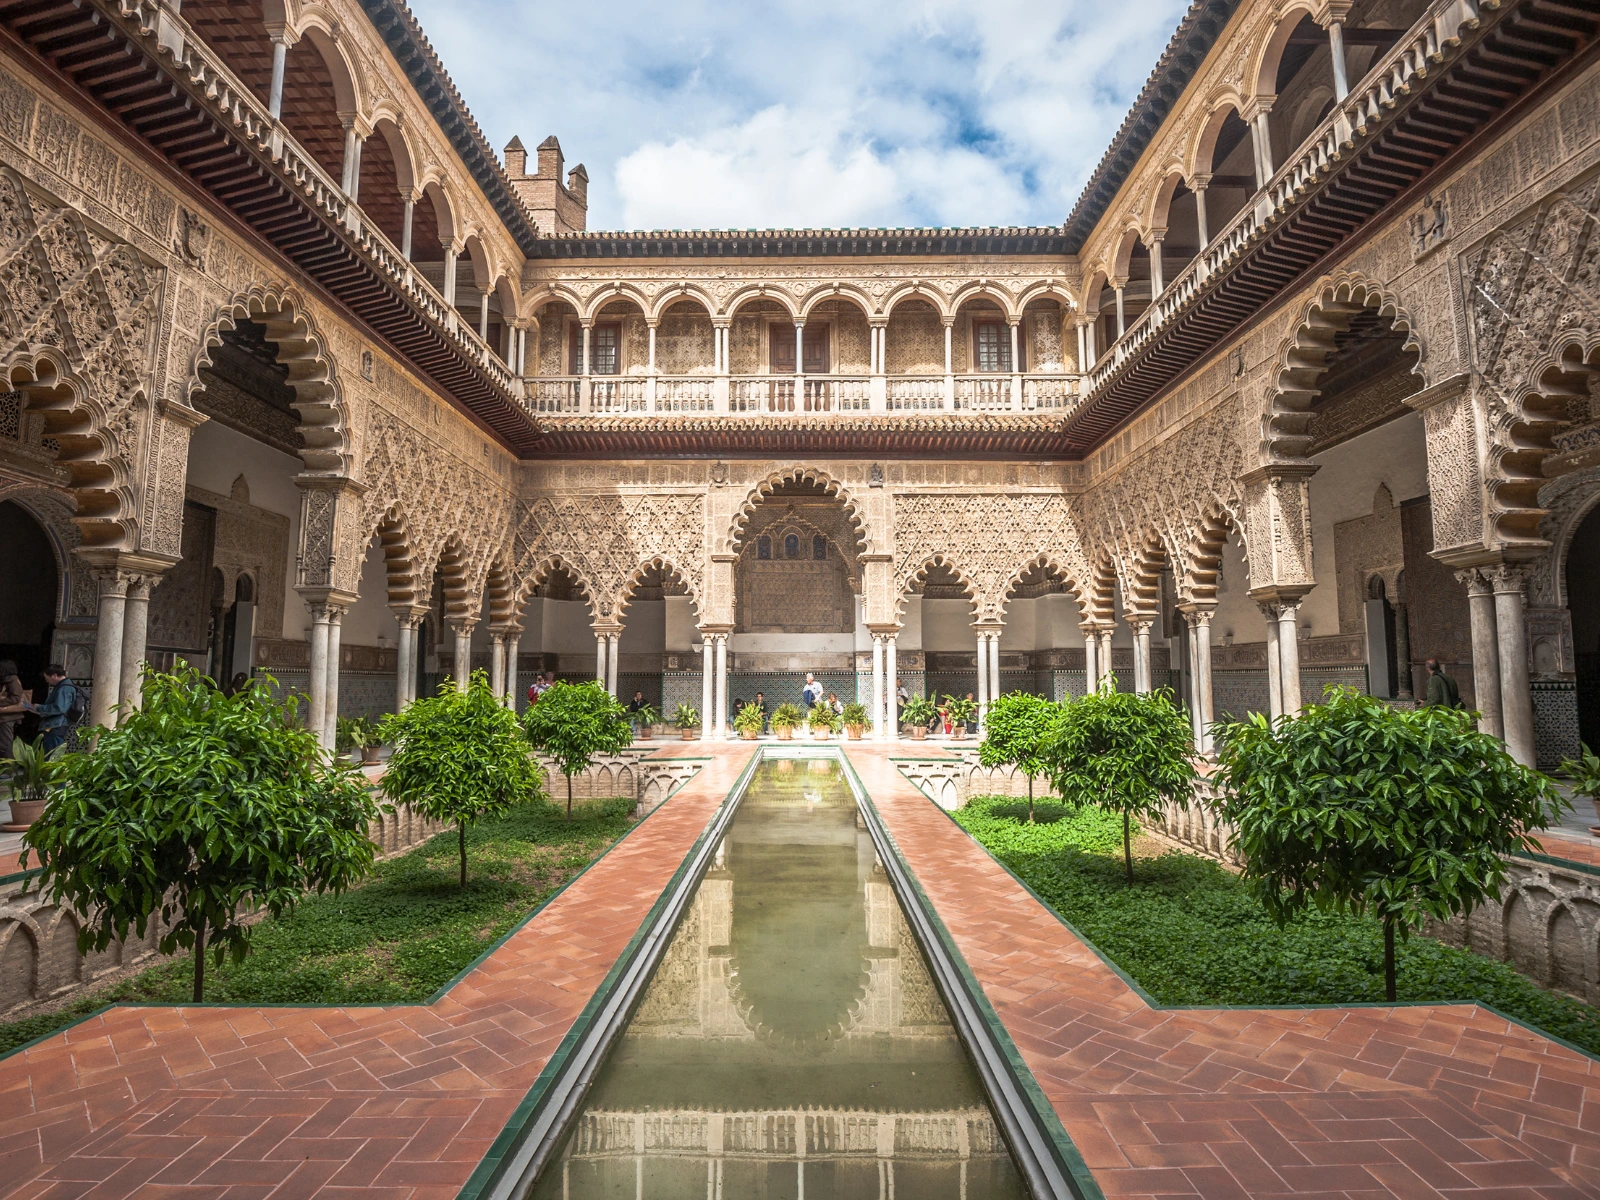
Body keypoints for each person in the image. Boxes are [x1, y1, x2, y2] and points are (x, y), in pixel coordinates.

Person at [30, 665, 77, 753]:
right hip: (55, 724)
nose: (47, 681)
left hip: (56, 725)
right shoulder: (62, 686)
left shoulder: (65, 688)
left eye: (47, 678)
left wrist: (39, 707)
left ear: (54, 675)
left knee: (52, 755)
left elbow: (59, 708)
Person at [0, 660, 26, 760]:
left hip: (8, 717)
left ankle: (8, 769)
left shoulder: (12, 680)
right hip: (4, 717)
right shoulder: (5, 680)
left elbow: (15, 698)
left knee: (5, 743)